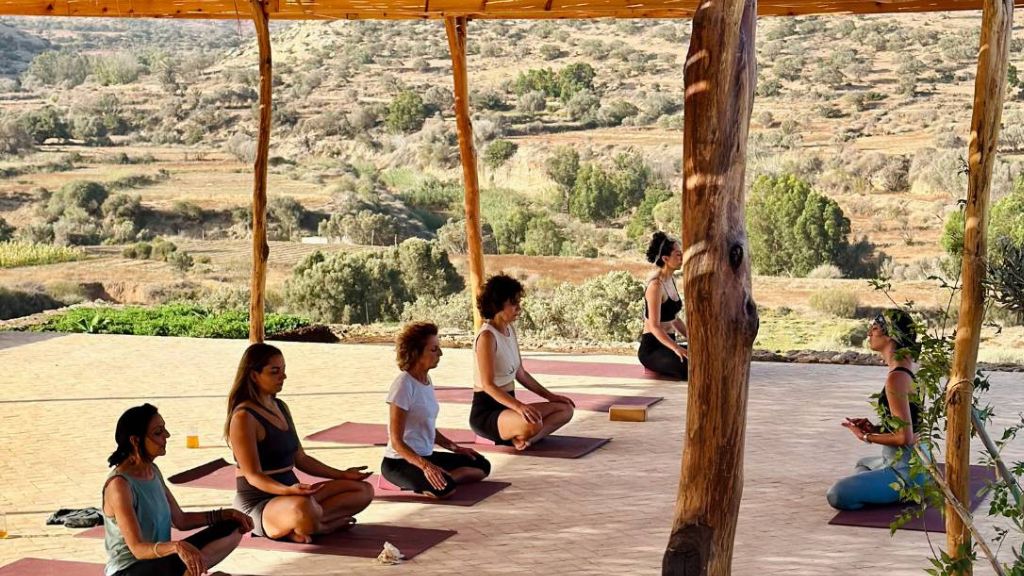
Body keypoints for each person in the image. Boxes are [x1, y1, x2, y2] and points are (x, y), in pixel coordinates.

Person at [226, 343, 373, 543]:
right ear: (254, 375)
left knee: (363, 490)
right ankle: (321, 526)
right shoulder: (244, 417)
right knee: (304, 508)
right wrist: (288, 491)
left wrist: (343, 474)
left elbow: (301, 458)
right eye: (275, 371)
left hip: (294, 495)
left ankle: (306, 527)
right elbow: (253, 476)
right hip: (260, 503)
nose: (283, 377)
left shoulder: (280, 406)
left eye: (284, 370)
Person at [102, 403, 252, 576]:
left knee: (234, 527)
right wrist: (176, 546)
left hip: (162, 562)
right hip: (130, 570)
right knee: (181, 561)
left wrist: (224, 514)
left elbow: (180, 520)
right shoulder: (119, 485)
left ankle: (190, 569)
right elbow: (138, 549)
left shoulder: (153, 470)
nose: (166, 435)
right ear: (135, 441)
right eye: (158, 432)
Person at [827, 309, 927, 510]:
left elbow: (903, 438)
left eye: (874, 329)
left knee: (837, 494)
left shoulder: (896, 378)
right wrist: (874, 428)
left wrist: (865, 437)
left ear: (890, 335)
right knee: (863, 463)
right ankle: (879, 488)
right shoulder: (910, 369)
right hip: (917, 463)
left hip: (904, 472)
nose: (868, 334)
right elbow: (911, 425)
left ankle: (901, 493)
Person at [381, 322, 492, 498]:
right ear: (416, 353)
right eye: (434, 350)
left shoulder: (426, 380)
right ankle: (427, 480)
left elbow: (427, 427)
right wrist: (425, 466)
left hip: (427, 455)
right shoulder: (403, 385)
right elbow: (396, 442)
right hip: (399, 462)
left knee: (481, 464)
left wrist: (456, 448)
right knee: (445, 490)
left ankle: (442, 477)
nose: (440, 354)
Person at [470, 274, 575, 451]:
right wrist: (519, 407)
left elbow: (521, 373)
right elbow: (488, 385)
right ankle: (520, 433)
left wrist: (551, 397)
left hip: (509, 407)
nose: (518, 309)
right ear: (498, 305)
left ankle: (527, 441)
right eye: (513, 303)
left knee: (565, 409)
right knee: (534, 424)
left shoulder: (509, 329)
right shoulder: (487, 336)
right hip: (487, 413)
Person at [638, 231, 688, 380]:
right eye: (678, 255)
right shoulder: (656, 286)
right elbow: (654, 326)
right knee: (692, 367)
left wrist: (693, 341)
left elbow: (674, 319)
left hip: (668, 344)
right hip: (653, 349)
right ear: (666, 258)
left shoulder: (671, 280)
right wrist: (676, 348)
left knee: (706, 356)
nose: (682, 258)